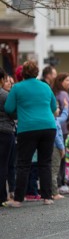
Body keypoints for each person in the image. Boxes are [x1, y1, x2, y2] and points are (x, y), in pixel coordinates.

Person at [4, 60, 57, 207]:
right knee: (45, 163)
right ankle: (47, 197)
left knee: (23, 163)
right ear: (37, 72)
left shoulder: (17, 88)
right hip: (48, 126)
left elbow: (9, 108)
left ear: (21, 74)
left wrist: (21, 111)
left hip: (27, 127)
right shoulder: (45, 86)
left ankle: (18, 199)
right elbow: (53, 106)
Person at [0, 67, 16, 206]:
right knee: (3, 164)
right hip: (5, 131)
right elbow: (13, 112)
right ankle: (2, 197)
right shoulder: (5, 95)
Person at [52, 100, 68, 200]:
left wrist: (66, 107)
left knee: (54, 170)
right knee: (54, 170)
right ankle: (54, 192)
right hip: (56, 148)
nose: (59, 109)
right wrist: (62, 148)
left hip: (56, 147)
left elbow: (64, 117)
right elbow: (56, 136)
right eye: (57, 107)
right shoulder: (53, 121)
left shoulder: (56, 119)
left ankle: (53, 191)